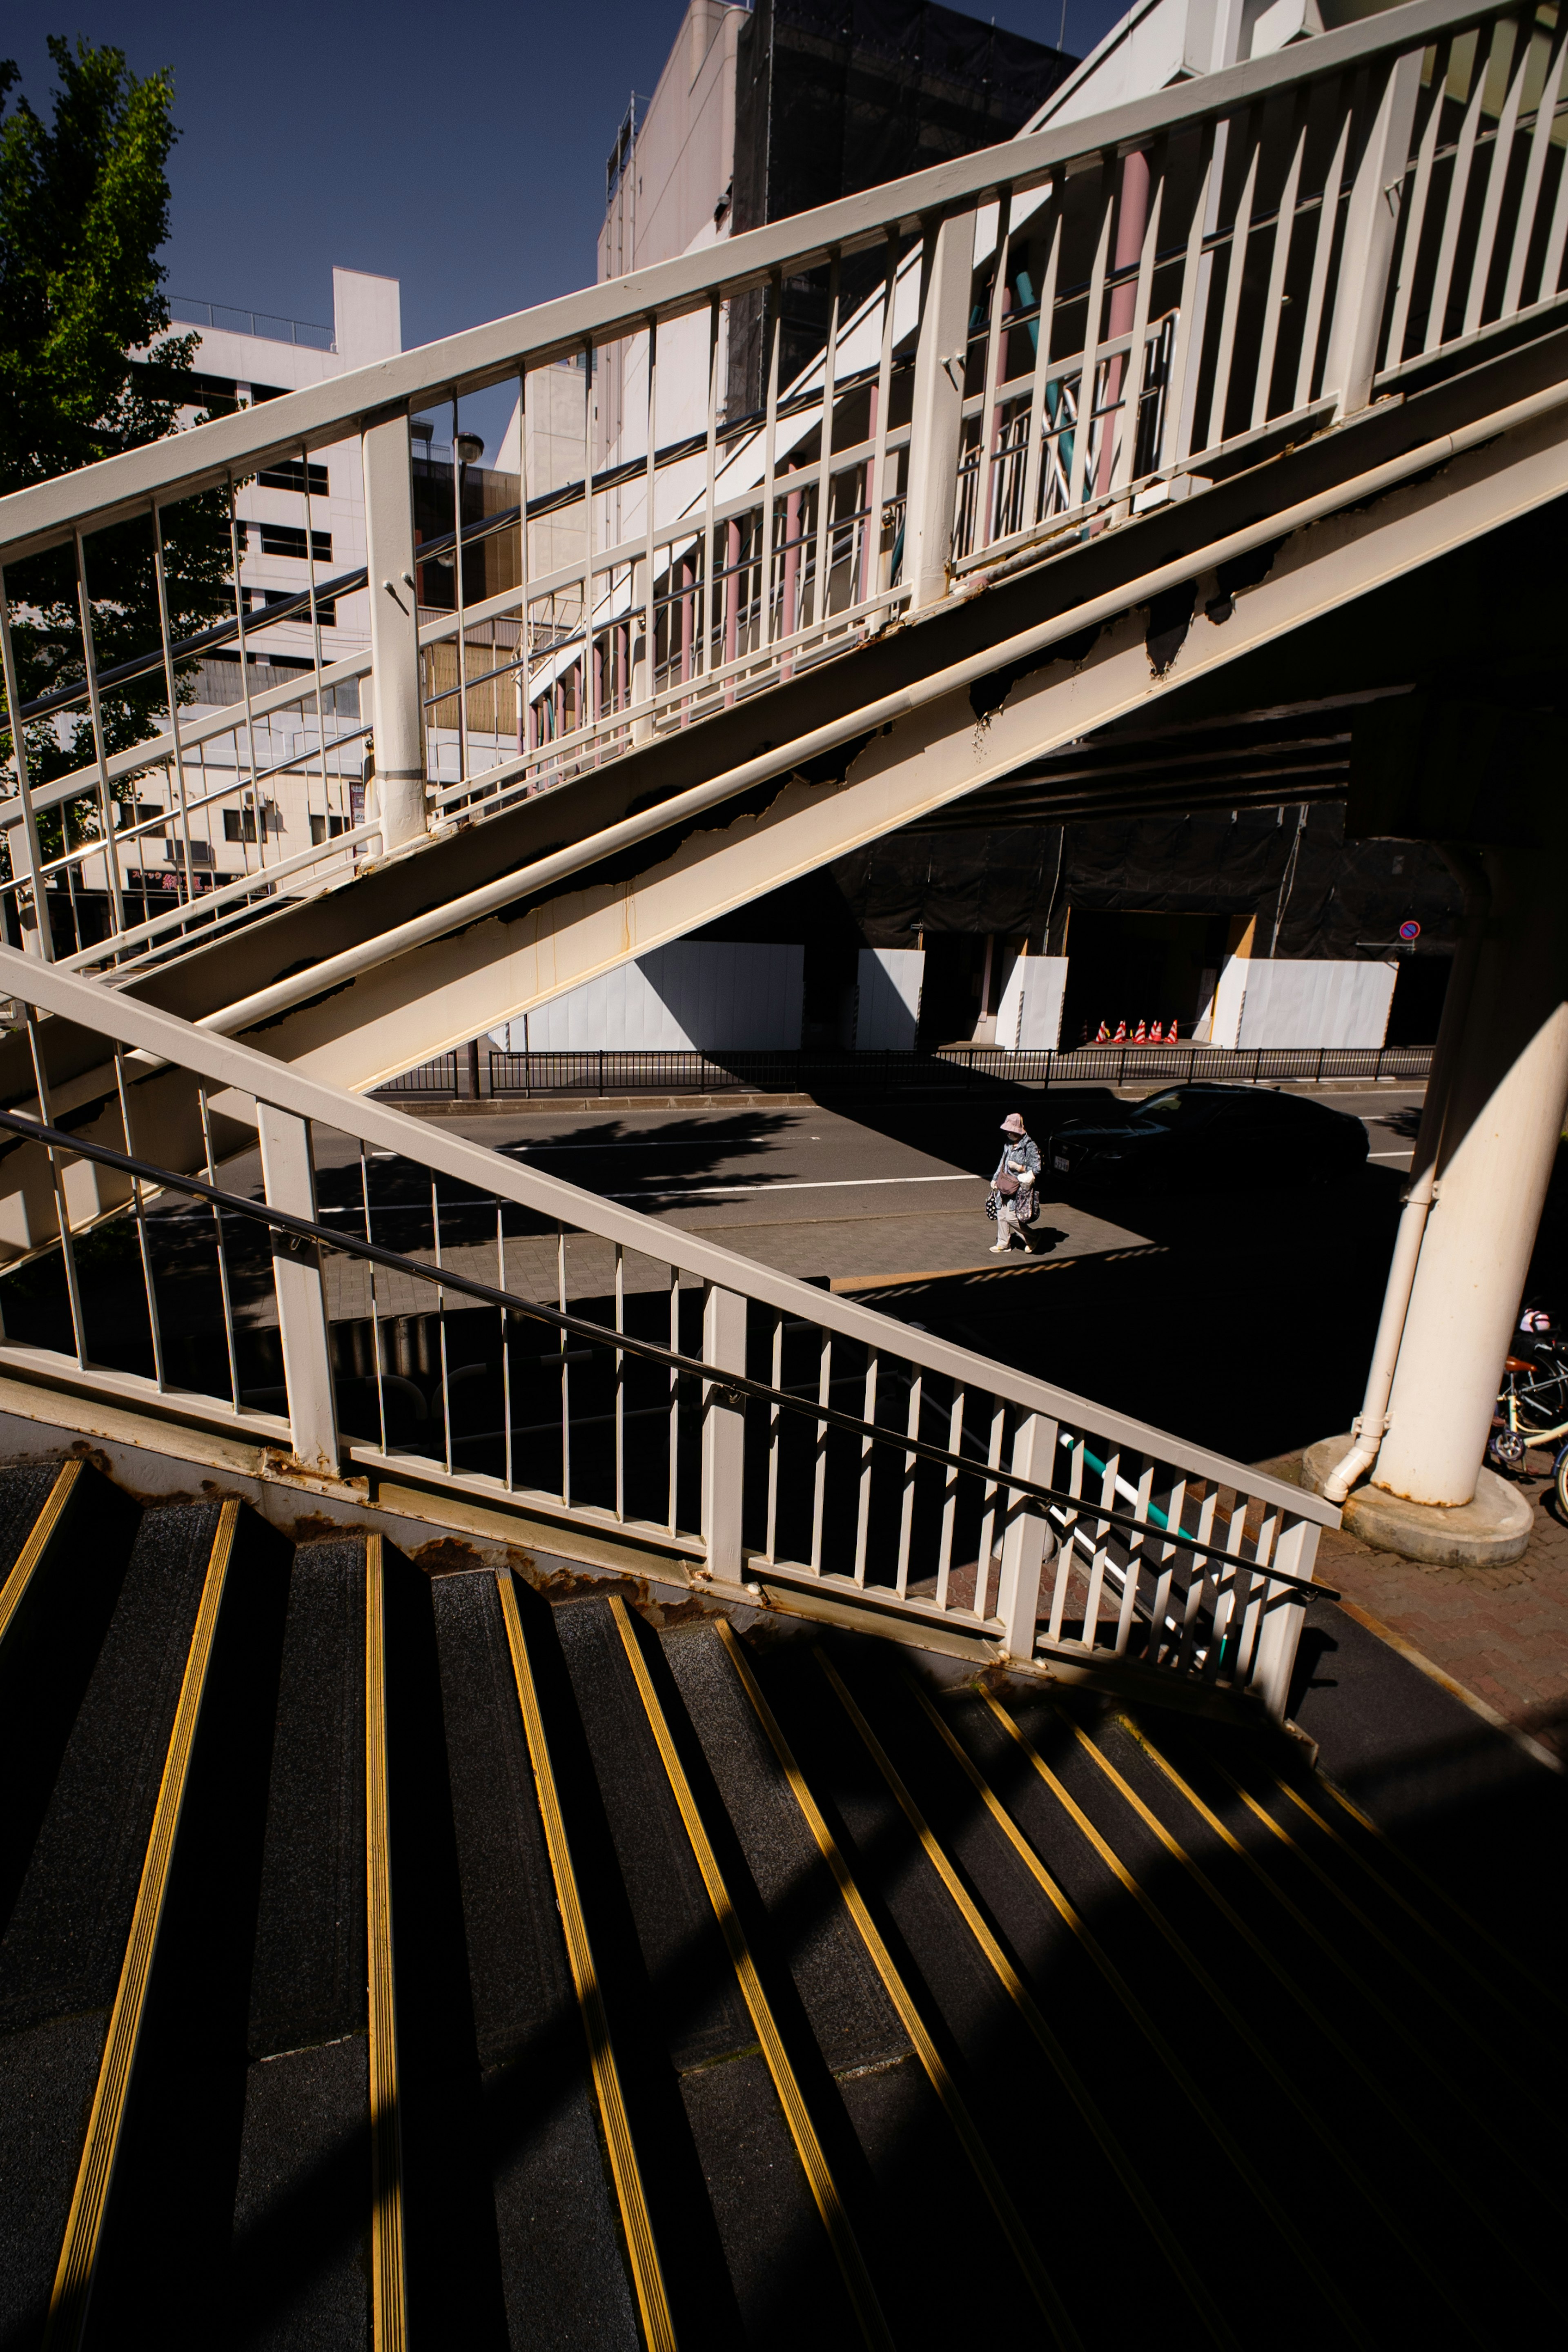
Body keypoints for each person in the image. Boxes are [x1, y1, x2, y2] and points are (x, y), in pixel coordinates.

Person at [987, 1111, 1040, 1253]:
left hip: (1018, 1188)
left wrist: (1020, 1168)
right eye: (1007, 1131)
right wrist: (995, 1179)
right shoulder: (1009, 1144)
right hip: (1005, 1185)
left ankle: (1033, 1237)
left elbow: (1037, 1168)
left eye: (1011, 1131)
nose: (1009, 1134)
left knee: (1011, 1217)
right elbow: (1002, 1164)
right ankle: (1003, 1243)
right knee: (1001, 1214)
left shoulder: (1029, 1146)